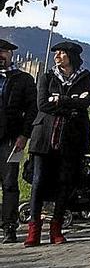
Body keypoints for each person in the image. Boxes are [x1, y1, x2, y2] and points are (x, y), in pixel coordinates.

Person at [25, 42, 90, 247]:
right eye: (57, 52)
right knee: (38, 183)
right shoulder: (47, 77)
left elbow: (85, 104)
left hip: (72, 138)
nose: (58, 55)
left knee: (65, 183)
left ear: (72, 56)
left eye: (62, 53)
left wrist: (59, 99)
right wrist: (70, 101)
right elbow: (42, 105)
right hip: (44, 136)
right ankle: (34, 229)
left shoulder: (85, 77)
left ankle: (56, 228)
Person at [0, 39, 37, 243]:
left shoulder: (23, 79)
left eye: (4, 51)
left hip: (11, 139)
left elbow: (32, 109)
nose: (0, 55)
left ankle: (9, 227)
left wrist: (24, 135)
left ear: (11, 55)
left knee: (9, 184)